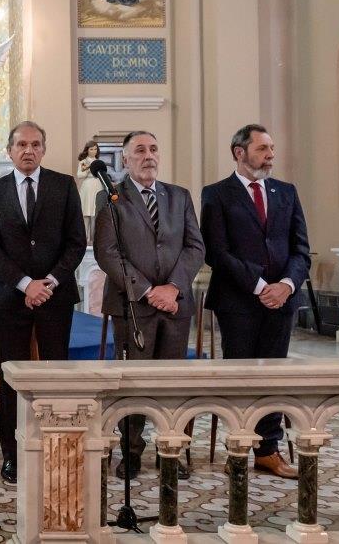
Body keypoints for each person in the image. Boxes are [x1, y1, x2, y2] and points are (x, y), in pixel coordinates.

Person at [0, 121, 87, 485]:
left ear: (44, 149)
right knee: (11, 377)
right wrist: (26, 284)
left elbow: (76, 242)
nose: (28, 150)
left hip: (56, 296)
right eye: (21, 144)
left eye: (35, 144)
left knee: (57, 373)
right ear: (10, 151)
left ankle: (57, 445)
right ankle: (11, 453)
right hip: (12, 297)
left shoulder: (63, 185)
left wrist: (50, 282)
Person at [200, 124, 310, 479]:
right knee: (241, 376)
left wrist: (287, 285)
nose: (270, 155)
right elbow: (216, 251)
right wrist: (261, 285)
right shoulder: (216, 194)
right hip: (238, 302)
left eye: (271, 148)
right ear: (239, 152)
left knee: (274, 378)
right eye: (263, 149)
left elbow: (301, 249)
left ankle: (268, 450)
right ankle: (239, 447)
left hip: (282, 302)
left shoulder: (286, 192)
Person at [93, 131, 204, 480]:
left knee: (173, 385)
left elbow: (194, 247)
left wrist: (171, 288)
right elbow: (107, 252)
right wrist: (145, 291)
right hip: (132, 308)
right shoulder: (110, 198)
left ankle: (173, 449)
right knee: (133, 385)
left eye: (154, 149)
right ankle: (132, 452)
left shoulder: (179, 196)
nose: (149, 156)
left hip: (174, 307)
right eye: (139, 151)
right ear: (125, 160)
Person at [75, 140, 105, 243]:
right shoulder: (83, 162)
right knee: (85, 213)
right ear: (87, 150)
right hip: (87, 187)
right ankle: (85, 239)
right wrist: (88, 169)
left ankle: (94, 240)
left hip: (97, 186)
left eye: (95, 149)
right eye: (91, 149)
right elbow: (79, 175)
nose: (93, 151)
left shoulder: (99, 162)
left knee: (95, 214)